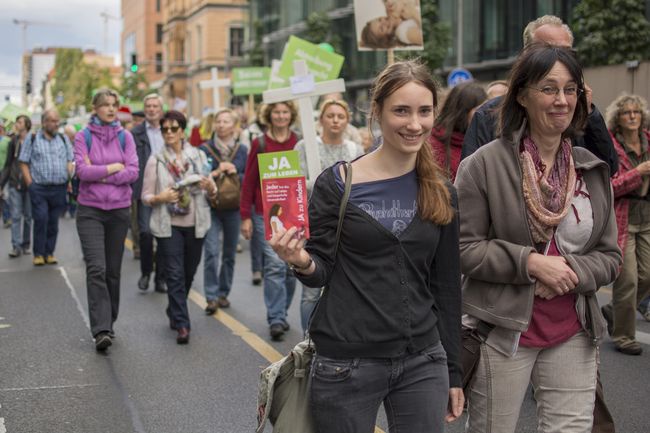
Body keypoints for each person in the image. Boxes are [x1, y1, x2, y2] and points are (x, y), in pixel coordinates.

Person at [270, 60, 463, 432]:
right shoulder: (338, 184)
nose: (414, 123)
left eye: (424, 111)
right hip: (346, 364)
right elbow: (320, 269)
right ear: (376, 112)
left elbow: (447, 287)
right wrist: (300, 260)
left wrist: (453, 369)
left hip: (423, 361)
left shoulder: (442, 191)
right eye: (401, 111)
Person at [455, 44, 621, 433]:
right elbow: (462, 248)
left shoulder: (591, 170)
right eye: (548, 89)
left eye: (570, 90)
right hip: (501, 330)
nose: (561, 100)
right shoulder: (483, 166)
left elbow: (610, 255)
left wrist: (569, 270)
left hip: (573, 329)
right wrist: (530, 263)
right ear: (522, 95)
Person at [461, 15, 619, 178]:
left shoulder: (579, 111)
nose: (561, 102)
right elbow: (471, 181)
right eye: (547, 50)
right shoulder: (490, 115)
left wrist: (588, 115)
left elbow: (607, 169)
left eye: (566, 52)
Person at [141, 110, 217, 344]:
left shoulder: (197, 156)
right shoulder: (156, 159)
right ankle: (183, 324)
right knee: (174, 274)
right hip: (169, 224)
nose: (169, 133)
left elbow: (212, 190)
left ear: (182, 131)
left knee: (188, 272)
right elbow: (145, 196)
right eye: (165, 129)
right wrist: (160, 197)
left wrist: (209, 186)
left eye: (174, 129)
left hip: (196, 222)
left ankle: (175, 309)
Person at [73, 88, 139, 351]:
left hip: (119, 210)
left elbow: (133, 172)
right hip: (90, 210)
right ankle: (101, 328)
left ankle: (108, 320)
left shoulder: (126, 137)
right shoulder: (83, 136)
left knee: (112, 271)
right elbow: (81, 171)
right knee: (96, 268)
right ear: (95, 108)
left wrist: (98, 174)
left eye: (114, 105)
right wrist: (113, 167)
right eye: (105, 105)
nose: (111, 109)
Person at [294, 98, 364, 332]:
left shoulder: (354, 150)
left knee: (345, 285)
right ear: (321, 119)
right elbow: (294, 185)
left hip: (346, 225)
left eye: (340, 116)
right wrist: (318, 184)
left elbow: (363, 184)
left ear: (347, 121)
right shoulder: (304, 146)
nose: (335, 120)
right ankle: (307, 342)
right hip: (313, 223)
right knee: (311, 292)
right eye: (330, 115)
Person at [240, 101, 300, 340]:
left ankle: (281, 312)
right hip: (264, 213)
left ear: (291, 115)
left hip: (294, 214)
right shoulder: (260, 143)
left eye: (285, 112)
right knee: (275, 265)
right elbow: (249, 181)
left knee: (291, 268)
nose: (281, 116)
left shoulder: (300, 143)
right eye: (276, 112)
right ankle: (276, 318)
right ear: (269, 115)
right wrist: (245, 216)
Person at [600, 93, 650, 355]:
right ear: (617, 118)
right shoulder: (611, 146)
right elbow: (608, 187)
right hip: (623, 218)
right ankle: (624, 336)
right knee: (628, 279)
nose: (632, 116)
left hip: (647, 217)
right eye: (626, 113)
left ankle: (614, 310)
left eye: (636, 112)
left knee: (648, 275)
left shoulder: (649, 141)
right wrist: (637, 174)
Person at [200, 108, 248, 315]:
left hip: (234, 208)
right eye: (218, 121)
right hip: (211, 206)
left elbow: (249, 178)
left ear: (234, 126)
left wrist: (235, 171)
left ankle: (223, 293)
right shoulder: (204, 149)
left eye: (226, 121)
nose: (221, 125)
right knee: (211, 252)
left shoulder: (242, 150)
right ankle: (210, 296)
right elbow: (199, 176)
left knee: (229, 253)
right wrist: (216, 172)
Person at [18, 109, 74, 266]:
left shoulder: (63, 139)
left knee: (53, 222)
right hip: (39, 188)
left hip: (59, 187)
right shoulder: (33, 138)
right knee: (41, 219)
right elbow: (23, 162)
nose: (56, 124)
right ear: (44, 122)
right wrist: (30, 184)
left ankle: (49, 252)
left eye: (57, 121)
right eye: (52, 121)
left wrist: (69, 176)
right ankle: (38, 253)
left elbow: (71, 159)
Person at [131, 93, 167, 293]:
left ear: (160, 109)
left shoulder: (170, 129)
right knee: (145, 233)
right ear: (145, 110)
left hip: (166, 188)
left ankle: (160, 278)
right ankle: (146, 272)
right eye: (149, 106)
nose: (152, 109)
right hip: (144, 188)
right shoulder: (135, 133)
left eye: (155, 106)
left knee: (163, 234)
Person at [429, 82, 487, 182]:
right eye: (481, 110)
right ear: (462, 112)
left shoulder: (487, 141)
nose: (486, 115)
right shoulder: (433, 145)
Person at [239, 104, 267, 286]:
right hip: (260, 199)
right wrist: (245, 214)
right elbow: (249, 174)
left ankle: (266, 266)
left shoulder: (293, 137)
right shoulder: (252, 136)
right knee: (259, 239)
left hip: (284, 199)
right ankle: (257, 268)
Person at [0, 115, 32, 257]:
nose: (17, 124)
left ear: (27, 125)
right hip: (14, 184)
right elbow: (8, 164)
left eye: (19, 122)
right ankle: (16, 246)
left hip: (30, 184)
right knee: (15, 216)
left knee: (28, 216)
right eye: (17, 122)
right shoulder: (13, 142)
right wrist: (1, 183)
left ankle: (25, 244)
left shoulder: (34, 140)